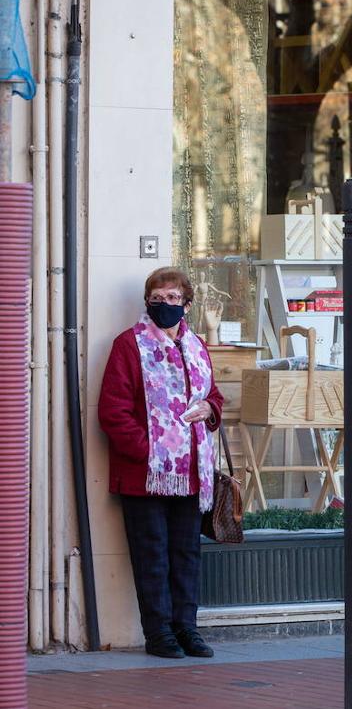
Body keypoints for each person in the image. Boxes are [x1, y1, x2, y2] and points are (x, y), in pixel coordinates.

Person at [98, 267, 224, 659]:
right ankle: (159, 634)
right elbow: (112, 411)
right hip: (146, 474)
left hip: (191, 472)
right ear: (147, 301)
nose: (164, 304)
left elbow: (214, 396)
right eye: (157, 297)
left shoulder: (197, 345)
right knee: (152, 554)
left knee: (186, 554)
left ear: (187, 303)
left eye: (172, 298)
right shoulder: (129, 345)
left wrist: (209, 407)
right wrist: (148, 450)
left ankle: (187, 628)